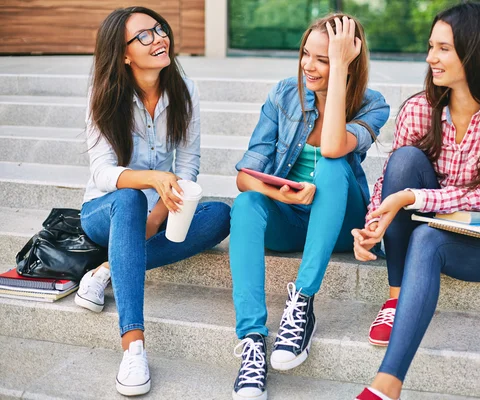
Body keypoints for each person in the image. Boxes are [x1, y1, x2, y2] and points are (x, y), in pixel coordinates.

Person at [352, 3, 480, 400]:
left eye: (442, 48)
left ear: (475, 51)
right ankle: (397, 296)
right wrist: (373, 226)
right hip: (436, 217)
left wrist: (411, 197)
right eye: (430, 46)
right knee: (404, 160)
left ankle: (386, 384)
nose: (429, 57)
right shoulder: (421, 108)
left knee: (427, 238)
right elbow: (391, 179)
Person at [229, 13, 390, 400]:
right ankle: (252, 341)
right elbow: (245, 175)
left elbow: (335, 147)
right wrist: (279, 194)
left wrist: (338, 74)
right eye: (306, 54)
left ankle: (301, 302)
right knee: (247, 203)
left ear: (348, 60)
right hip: (291, 217)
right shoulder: (284, 94)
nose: (309, 65)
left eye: (324, 58)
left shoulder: (372, 104)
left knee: (333, 166)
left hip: (340, 221)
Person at [74, 7, 230, 396]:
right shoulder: (105, 95)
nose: (159, 38)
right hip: (105, 211)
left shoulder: (184, 90)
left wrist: (161, 211)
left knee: (221, 215)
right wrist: (153, 181)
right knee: (129, 199)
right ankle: (134, 348)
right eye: (144, 35)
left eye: (159, 30)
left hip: (157, 211)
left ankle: (109, 268)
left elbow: (189, 162)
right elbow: (102, 173)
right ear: (123, 53)